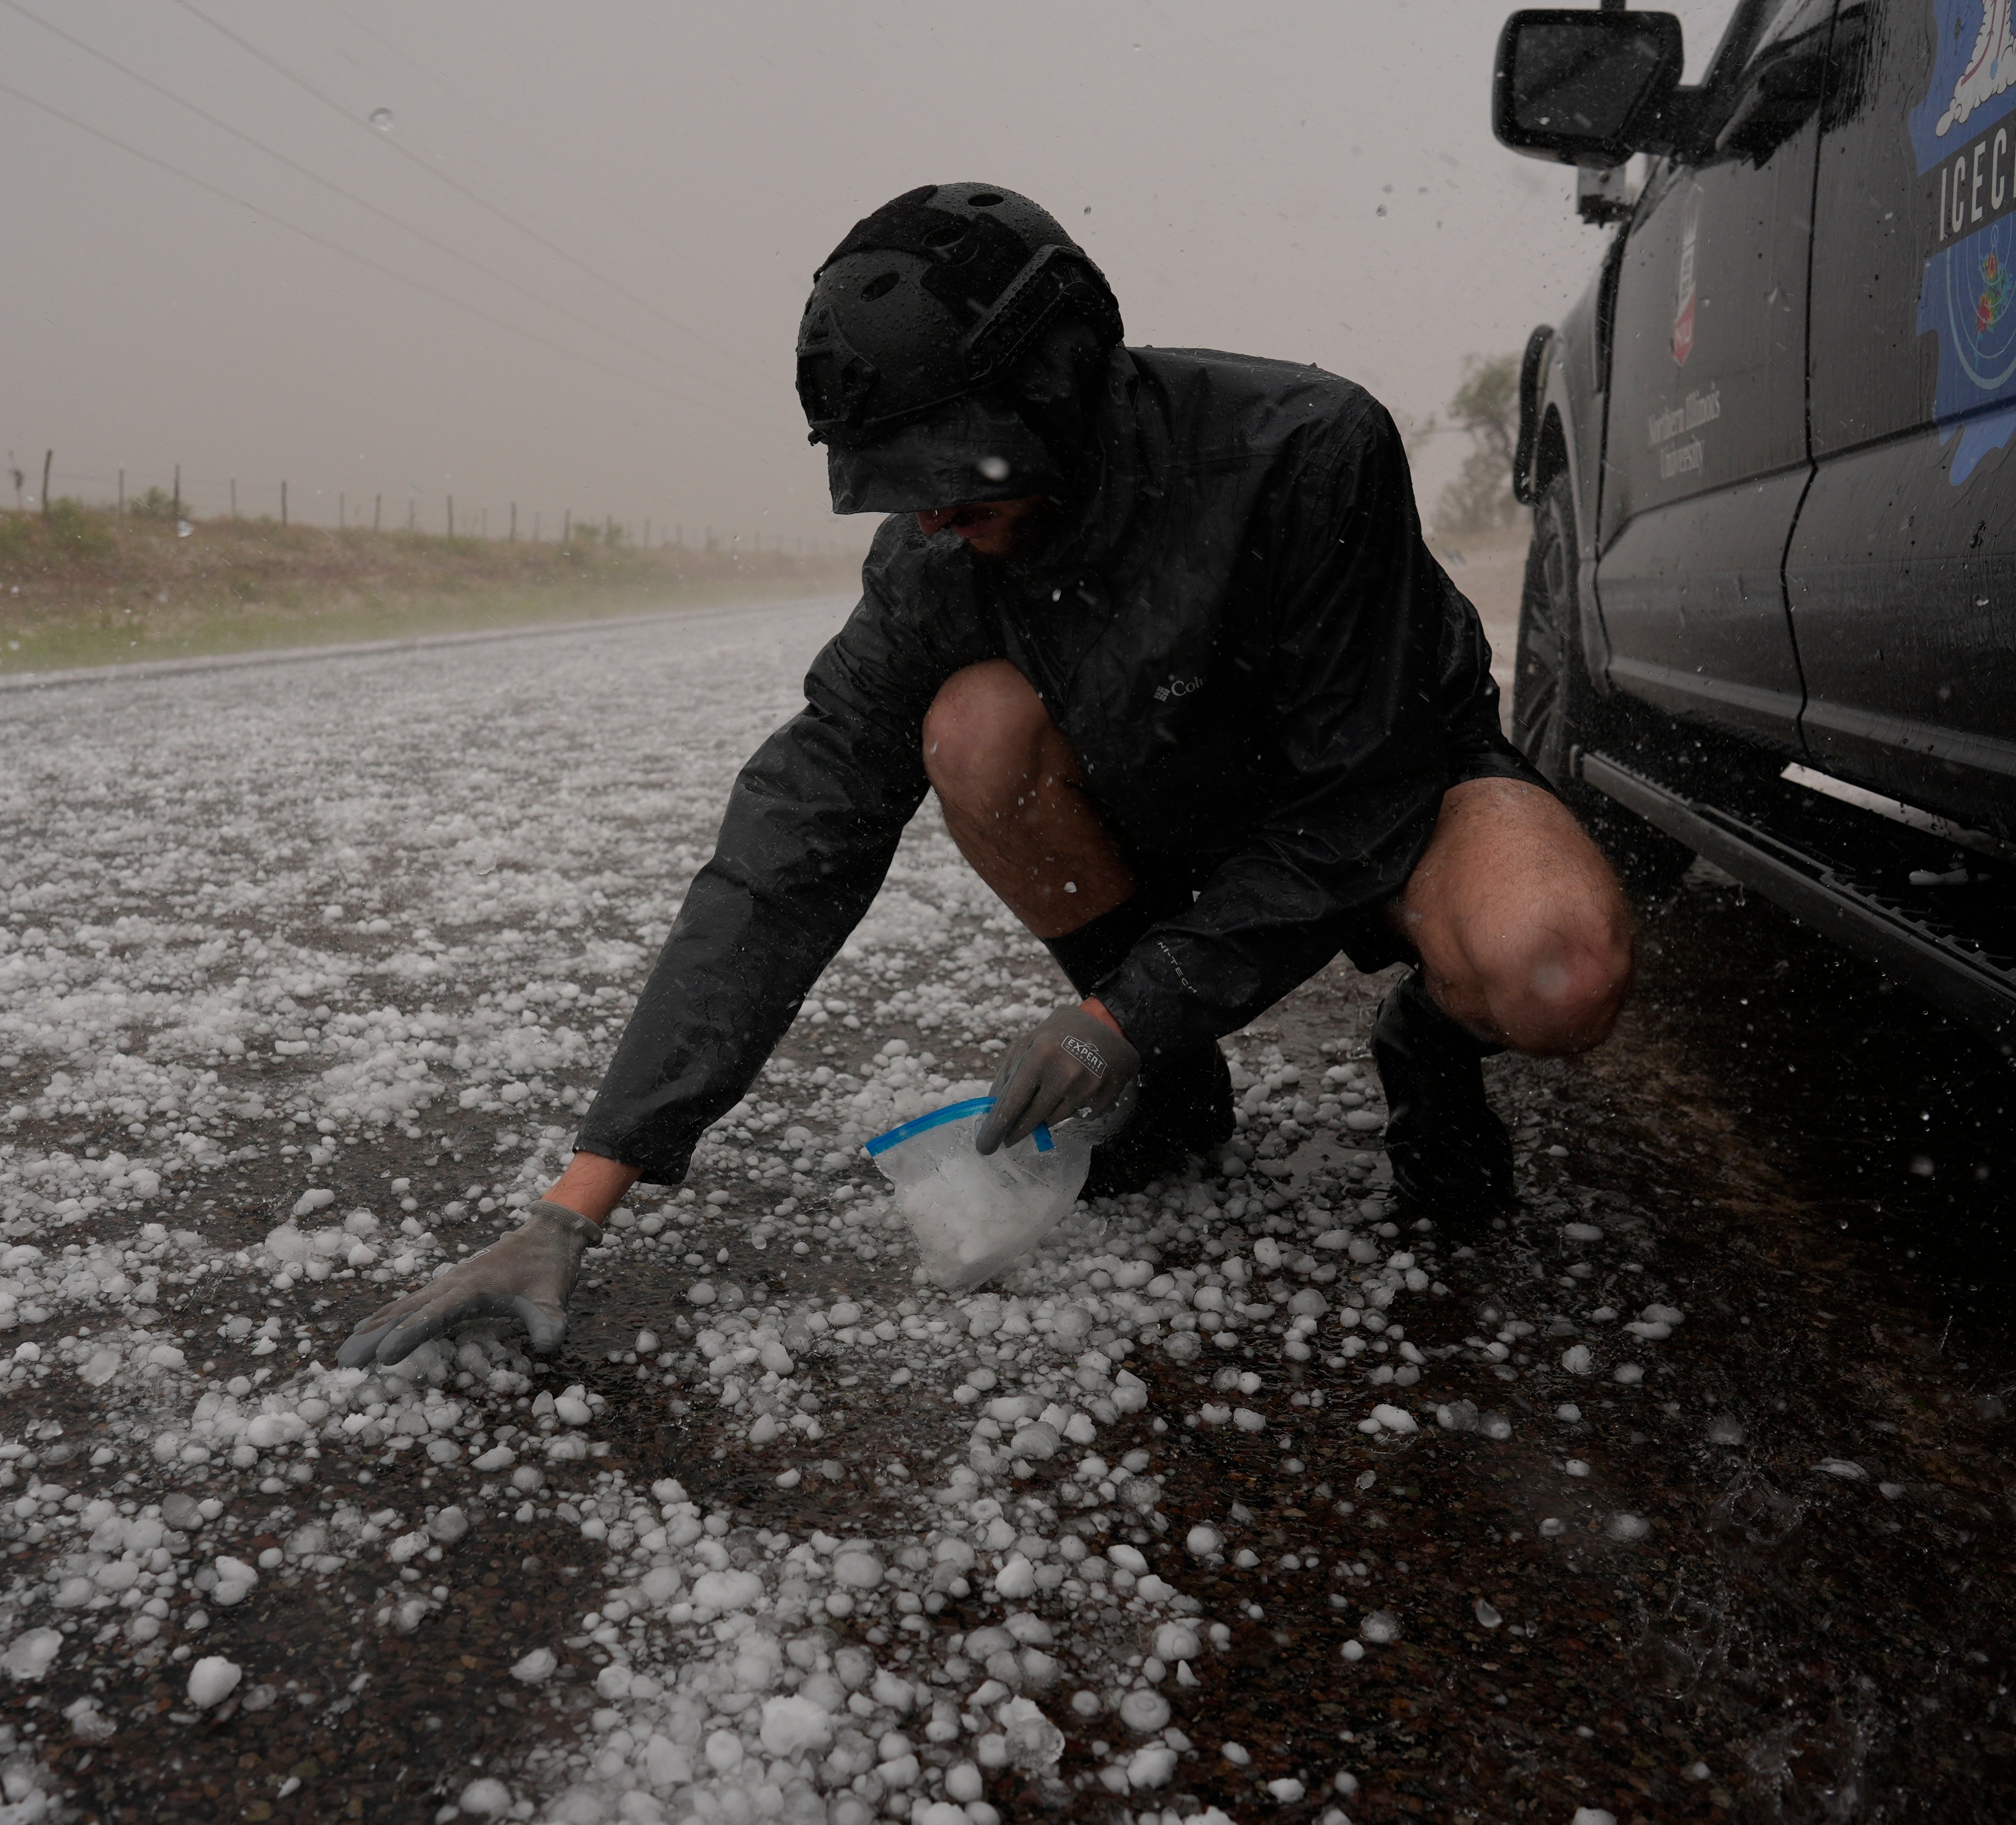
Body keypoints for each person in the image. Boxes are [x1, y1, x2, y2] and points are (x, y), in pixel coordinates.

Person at [340, 183, 1632, 1370]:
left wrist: (1124, 1014)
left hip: (1396, 806)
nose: (928, 518)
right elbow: (791, 847)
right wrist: (579, 1197)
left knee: (1558, 964)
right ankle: (1175, 1092)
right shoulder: (935, 565)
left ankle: (1428, 1037)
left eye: (950, 473)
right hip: (1175, 820)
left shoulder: (1306, 449)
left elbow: (1357, 800)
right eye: (897, 487)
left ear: (1061, 386)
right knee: (970, 728)